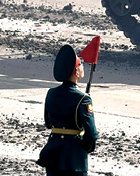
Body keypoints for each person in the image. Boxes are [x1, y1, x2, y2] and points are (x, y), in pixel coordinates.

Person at [37, 44, 98, 176]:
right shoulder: (83, 99)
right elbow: (91, 134)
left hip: (53, 152)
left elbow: (49, 123)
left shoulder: (51, 93)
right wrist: (84, 149)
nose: (83, 67)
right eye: (80, 65)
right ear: (76, 72)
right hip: (74, 158)